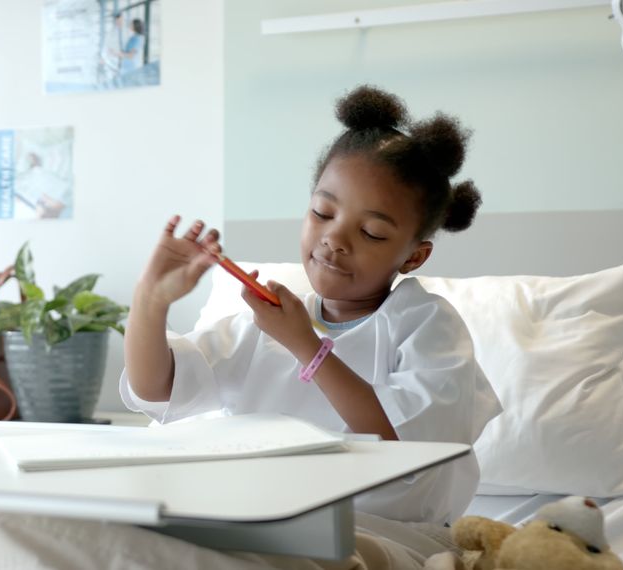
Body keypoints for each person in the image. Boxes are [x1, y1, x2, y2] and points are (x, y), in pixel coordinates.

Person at [121, 85, 502, 526]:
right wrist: (150, 301)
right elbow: (154, 389)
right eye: (323, 212)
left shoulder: (426, 324)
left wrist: (308, 348)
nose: (334, 238)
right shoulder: (264, 325)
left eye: (373, 233)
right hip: (262, 520)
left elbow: (400, 439)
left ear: (413, 256)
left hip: (381, 535)